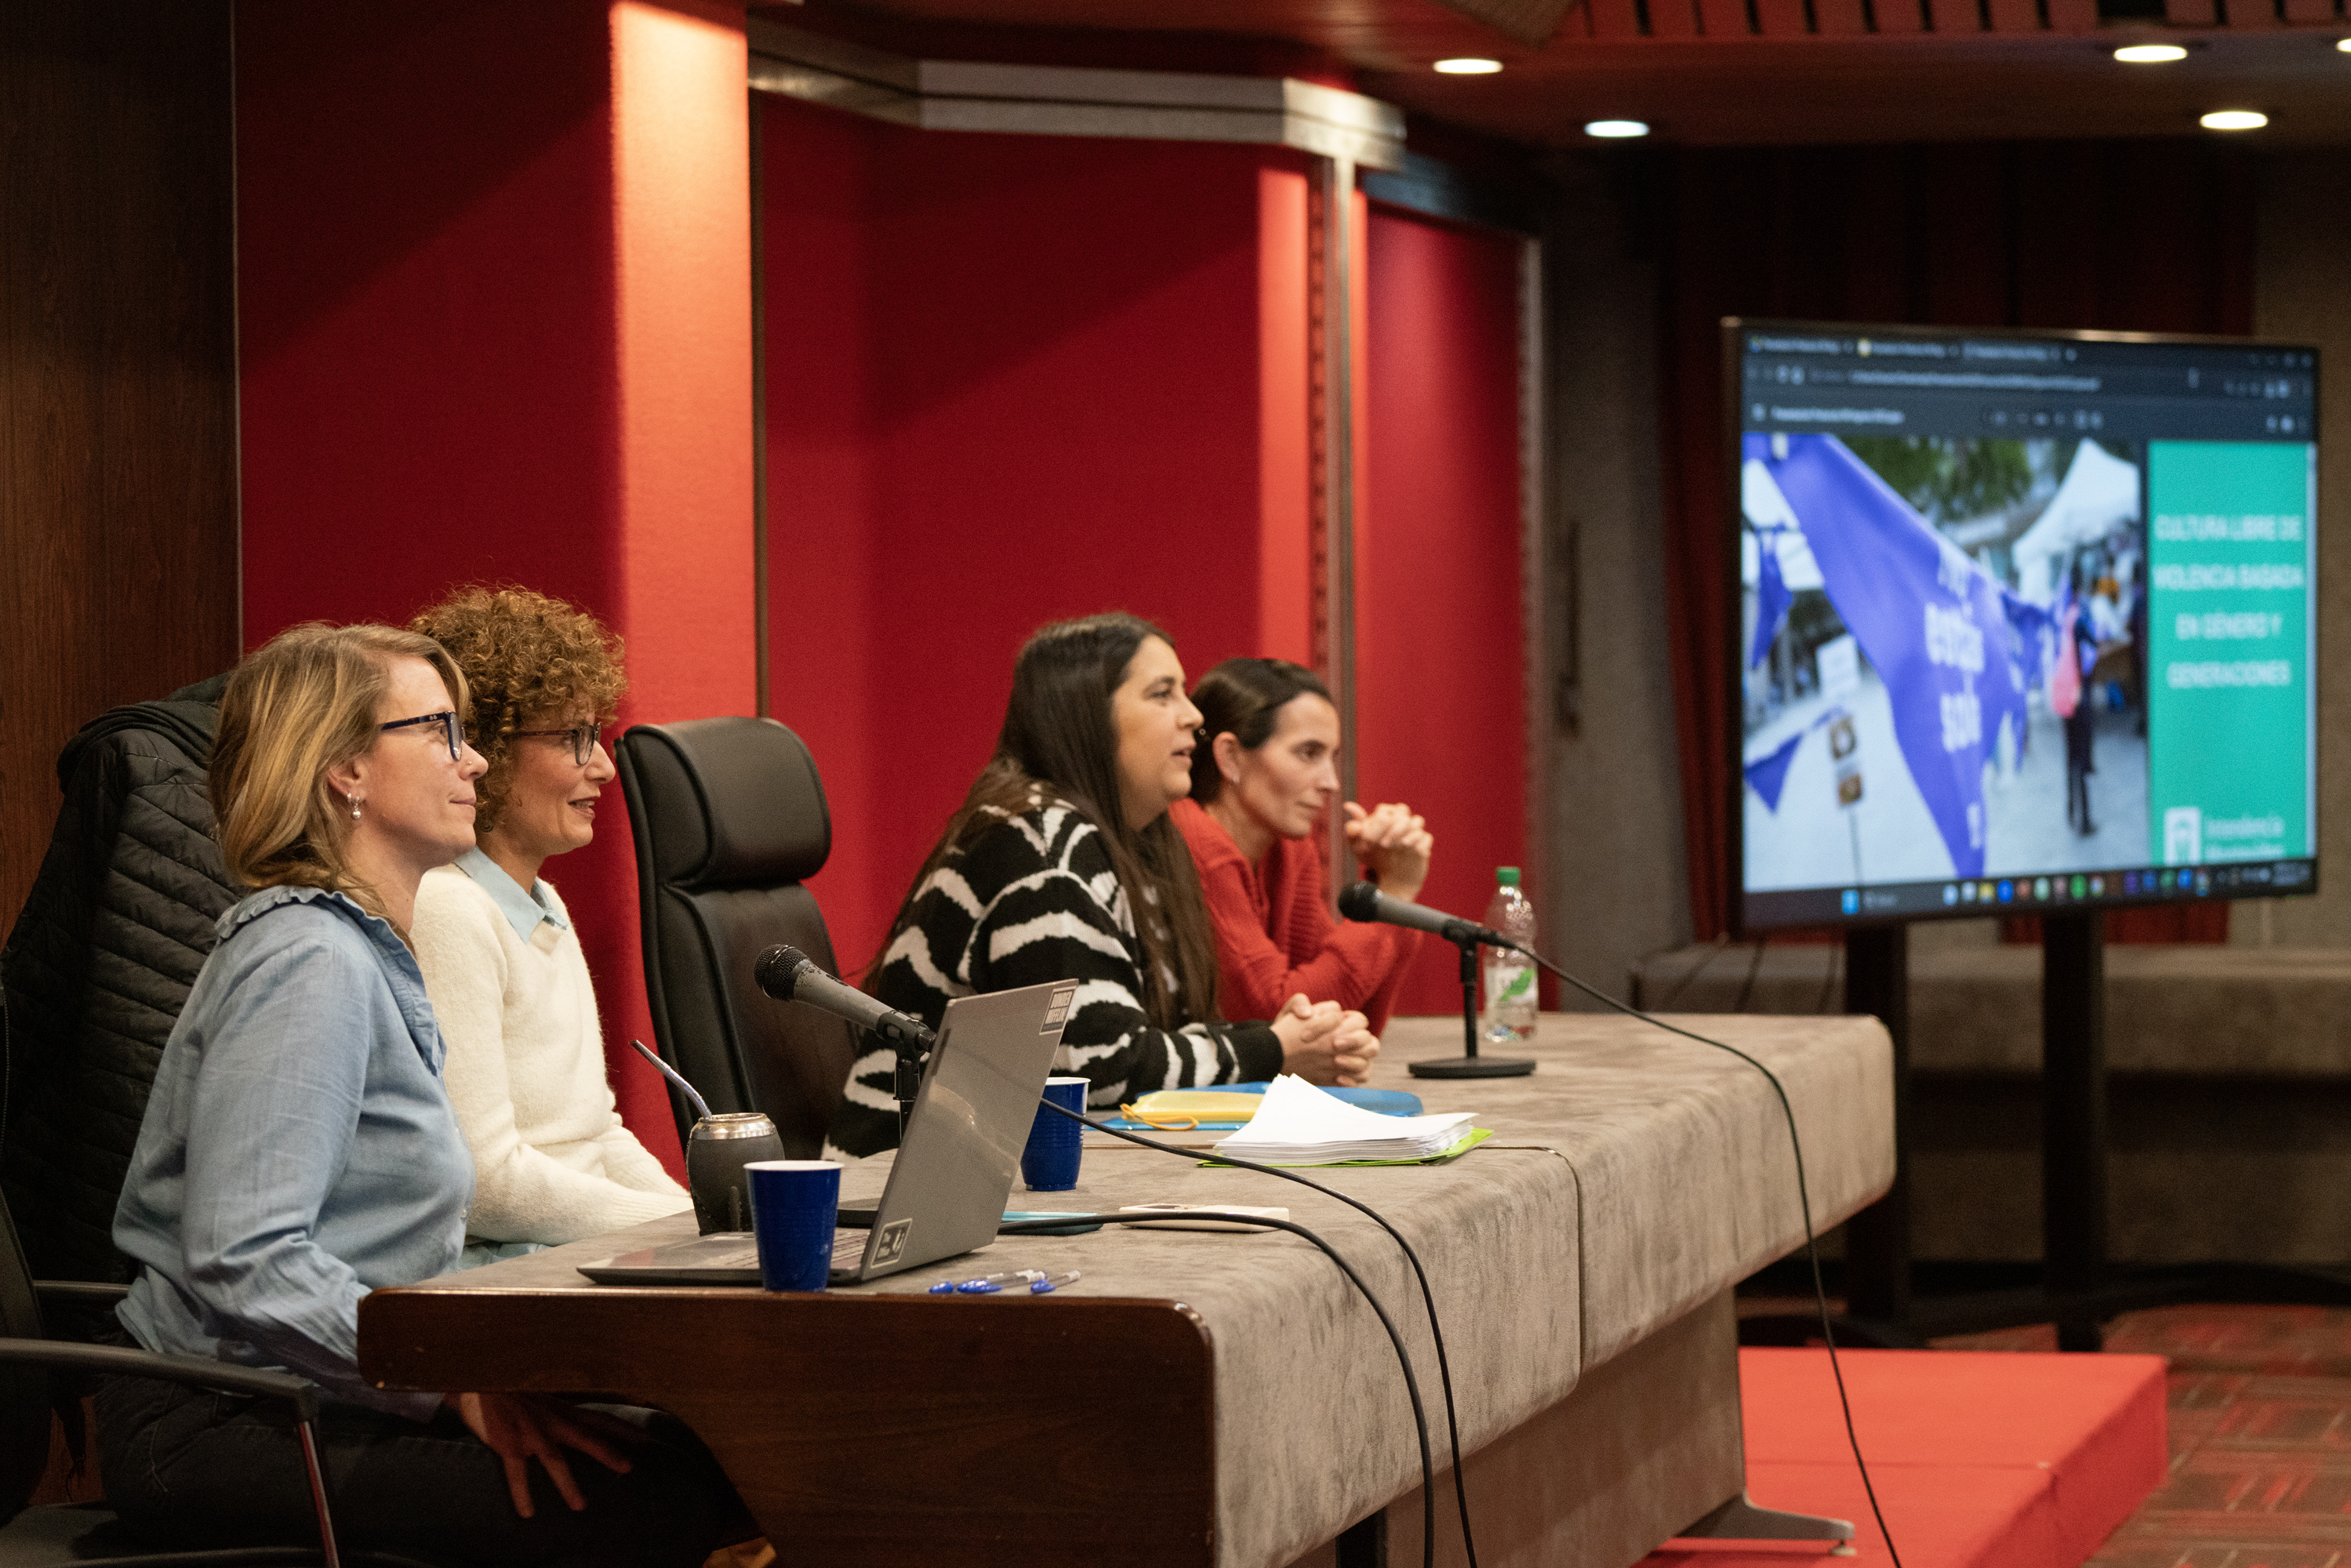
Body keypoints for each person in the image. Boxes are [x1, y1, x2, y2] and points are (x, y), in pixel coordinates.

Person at [99, 622, 750, 1565]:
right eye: (440, 731)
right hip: (211, 1418)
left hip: (308, 1391)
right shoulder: (307, 960)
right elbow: (245, 1257)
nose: (474, 758)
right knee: (651, 1500)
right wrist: (449, 1387)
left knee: (692, 1457)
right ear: (343, 770)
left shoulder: (363, 947)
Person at [836, 613, 1377, 1159]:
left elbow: (1151, 1037)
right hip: (900, 1183)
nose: (1193, 717)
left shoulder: (1129, 842)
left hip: (993, 1168)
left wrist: (1280, 1039)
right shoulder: (1041, 843)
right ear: (1087, 714)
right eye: (1163, 694)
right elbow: (1104, 1071)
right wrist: (1272, 1048)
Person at [409, 586, 689, 1260]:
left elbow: (597, 1136)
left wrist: (711, 1223)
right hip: (511, 1267)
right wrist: (680, 1230)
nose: (605, 766)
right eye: (574, 739)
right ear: (489, 750)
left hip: (575, 1247)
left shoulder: (544, 902)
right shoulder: (447, 909)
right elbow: (487, 1183)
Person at [1173, 658, 1430, 1036]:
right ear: (1230, 757)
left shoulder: (1290, 850)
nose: (1330, 783)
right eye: (1308, 753)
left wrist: (1391, 902)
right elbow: (1271, 1018)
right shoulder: (1192, 840)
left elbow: (1350, 1019)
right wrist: (1393, 896)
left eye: (1332, 757)